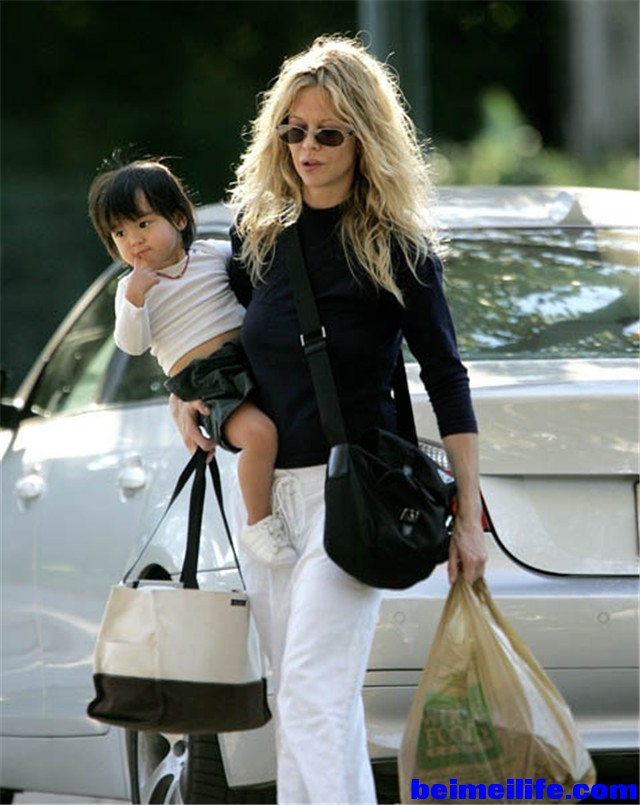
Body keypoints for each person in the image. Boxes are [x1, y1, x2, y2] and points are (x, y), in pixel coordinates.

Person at [170, 34, 487, 804]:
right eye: (295, 130)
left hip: (351, 497)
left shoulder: (398, 250)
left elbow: (447, 378)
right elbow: (221, 339)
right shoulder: (257, 238)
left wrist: (469, 516)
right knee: (302, 701)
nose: (308, 148)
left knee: (313, 692)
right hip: (267, 502)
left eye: (329, 133)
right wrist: (185, 393)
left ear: (365, 138)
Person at [88, 158, 296, 565]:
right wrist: (136, 299)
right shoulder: (130, 288)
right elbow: (132, 344)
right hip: (206, 381)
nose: (134, 240)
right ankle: (259, 523)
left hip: (252, 359)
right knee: (259, 434)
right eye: (120, 233)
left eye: (143, 224)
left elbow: (256, 269)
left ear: (179, 218)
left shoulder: (213, 254)